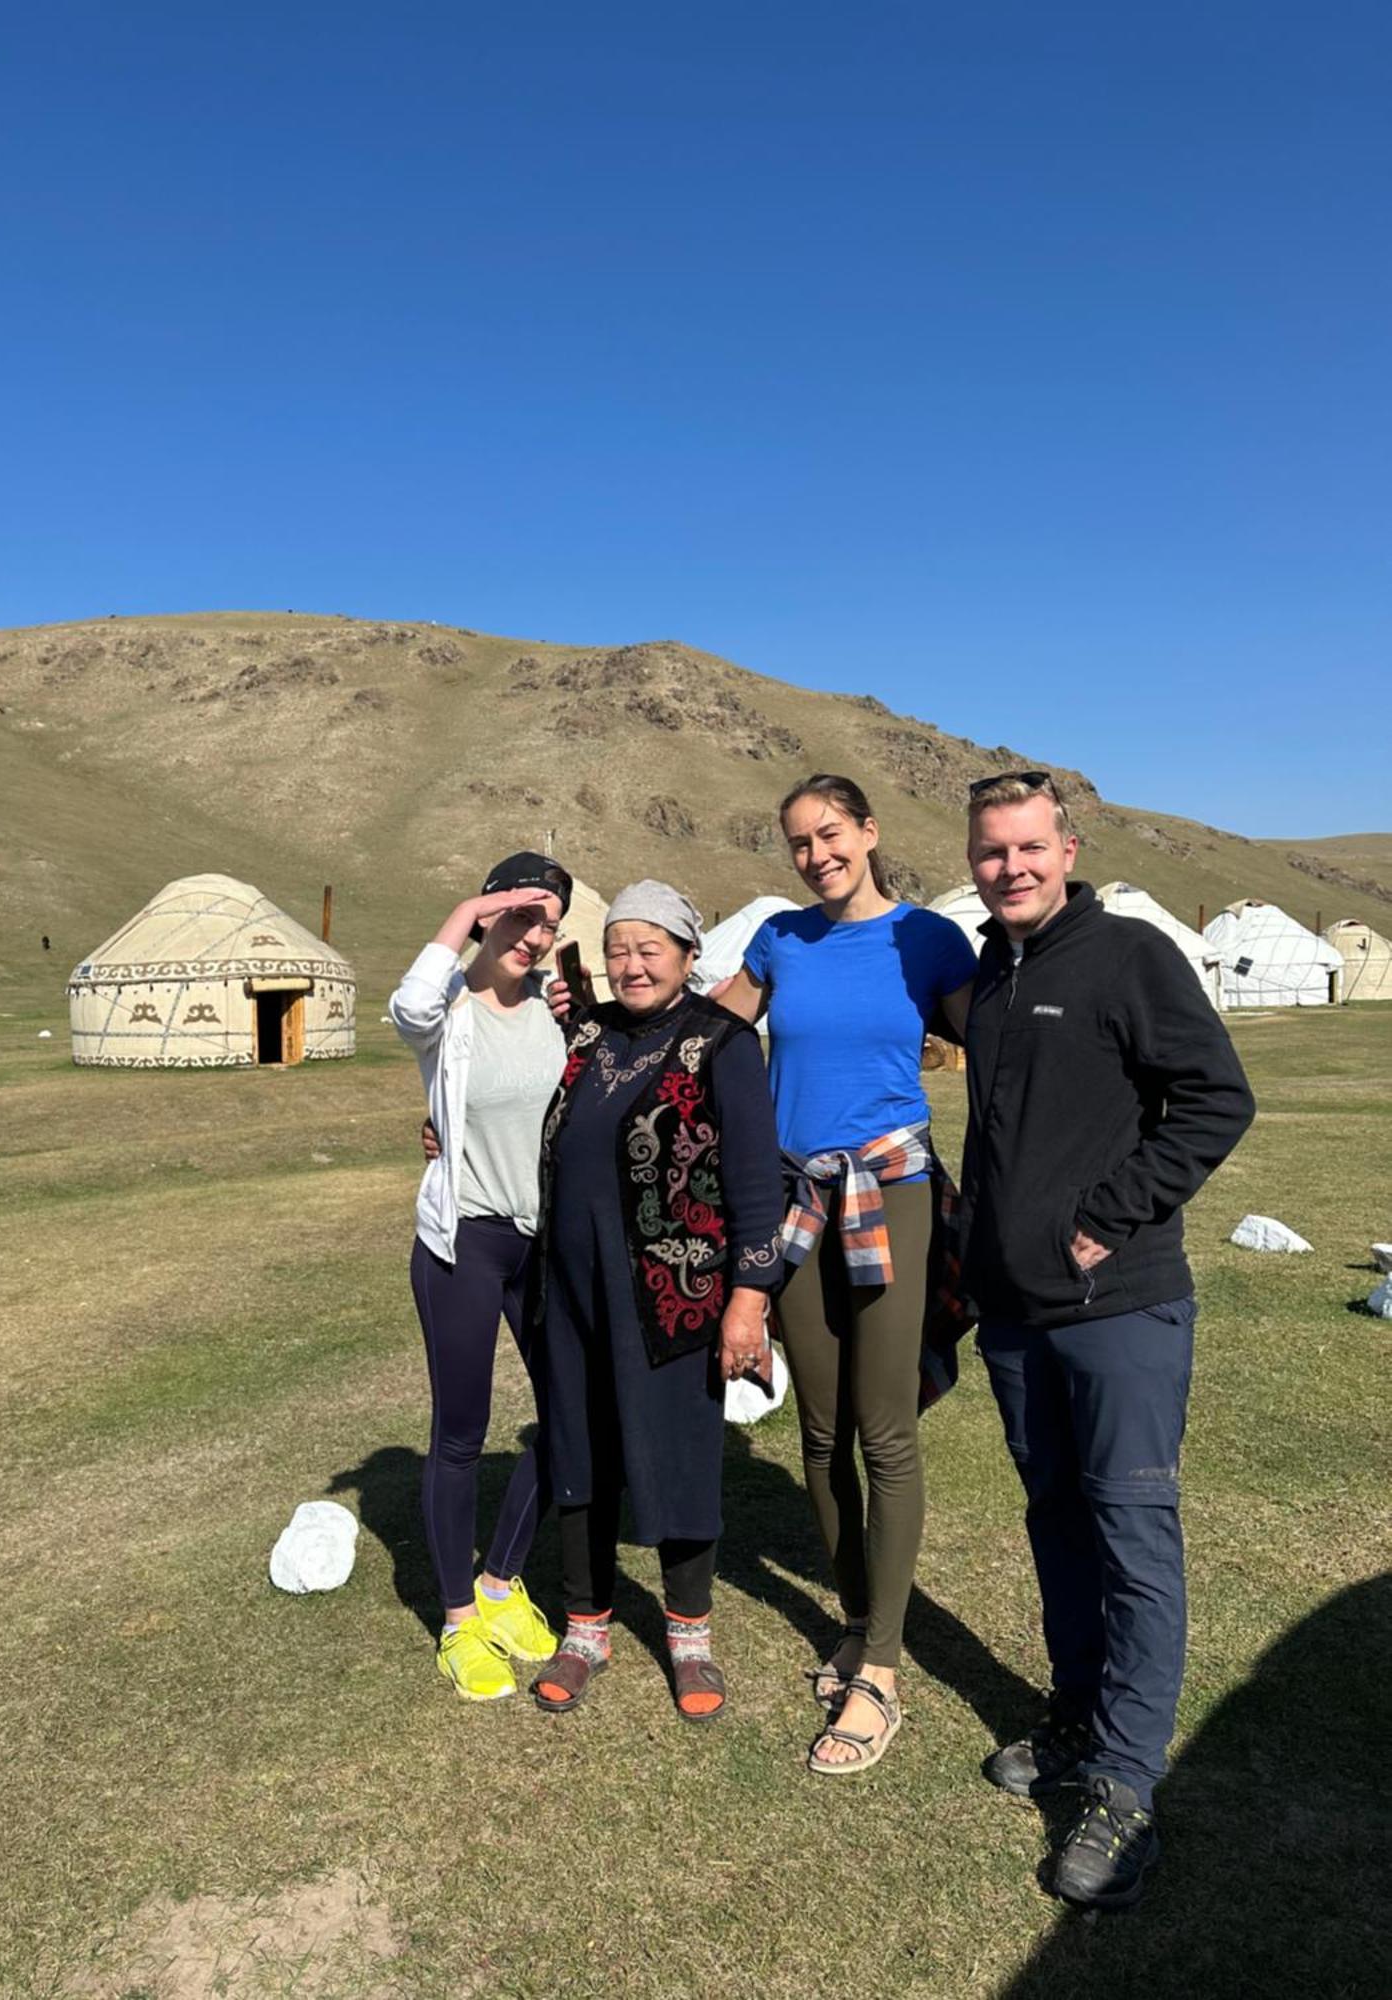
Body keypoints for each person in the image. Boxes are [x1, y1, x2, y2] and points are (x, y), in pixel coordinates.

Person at [960, 772, 1254, 1908]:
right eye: (992, 851)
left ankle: (1127, 1786)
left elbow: (1217, 1098)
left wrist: (1108, 1211)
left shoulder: (1129, 953)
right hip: (1017, 1317)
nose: (1012, 867)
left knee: (1133, 1537)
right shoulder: (992, 971)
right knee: (1056, 1523)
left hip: (1120, 1306)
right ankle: (1080, 1718)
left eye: (1030, 847)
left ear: (1068, 848)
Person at [712, 775, 977, 1774]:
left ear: (868, 832)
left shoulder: (927, 939)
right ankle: (861, 1620)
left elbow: (999, 1047)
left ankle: (884, 1669)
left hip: (890, 1193)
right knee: (818, 1431)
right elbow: (707, 1035)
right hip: (796, 1203)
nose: (816, 854)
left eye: (830, 834)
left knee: (883, 1426)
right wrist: (597, 1017)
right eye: (798, 842)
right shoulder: (781, 939)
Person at [532, 881, 784, 1722]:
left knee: (679, 1455)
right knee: (580, 1450)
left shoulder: (723, 1041)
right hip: (572, 1289)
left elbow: (755, 1184)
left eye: (651, 949)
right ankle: (586, 1627)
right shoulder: (590, 1034)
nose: (633, 965)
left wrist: (748, 1303)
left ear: (686, 955)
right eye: (619, 950)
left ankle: (689, 1637)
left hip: (676, 1293)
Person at [390, 851, 575, 1701]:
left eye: (549, 924)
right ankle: (459, 1621)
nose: (534, 938)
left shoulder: (555, 1008)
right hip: (465, 1243)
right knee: (461, 1431)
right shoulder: (449, 1016)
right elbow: (408, 1000)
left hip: (541, 1243)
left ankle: (502, 1582)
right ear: (490, 915)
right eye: (521, 919)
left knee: (568, 1416)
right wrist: (471, 906)